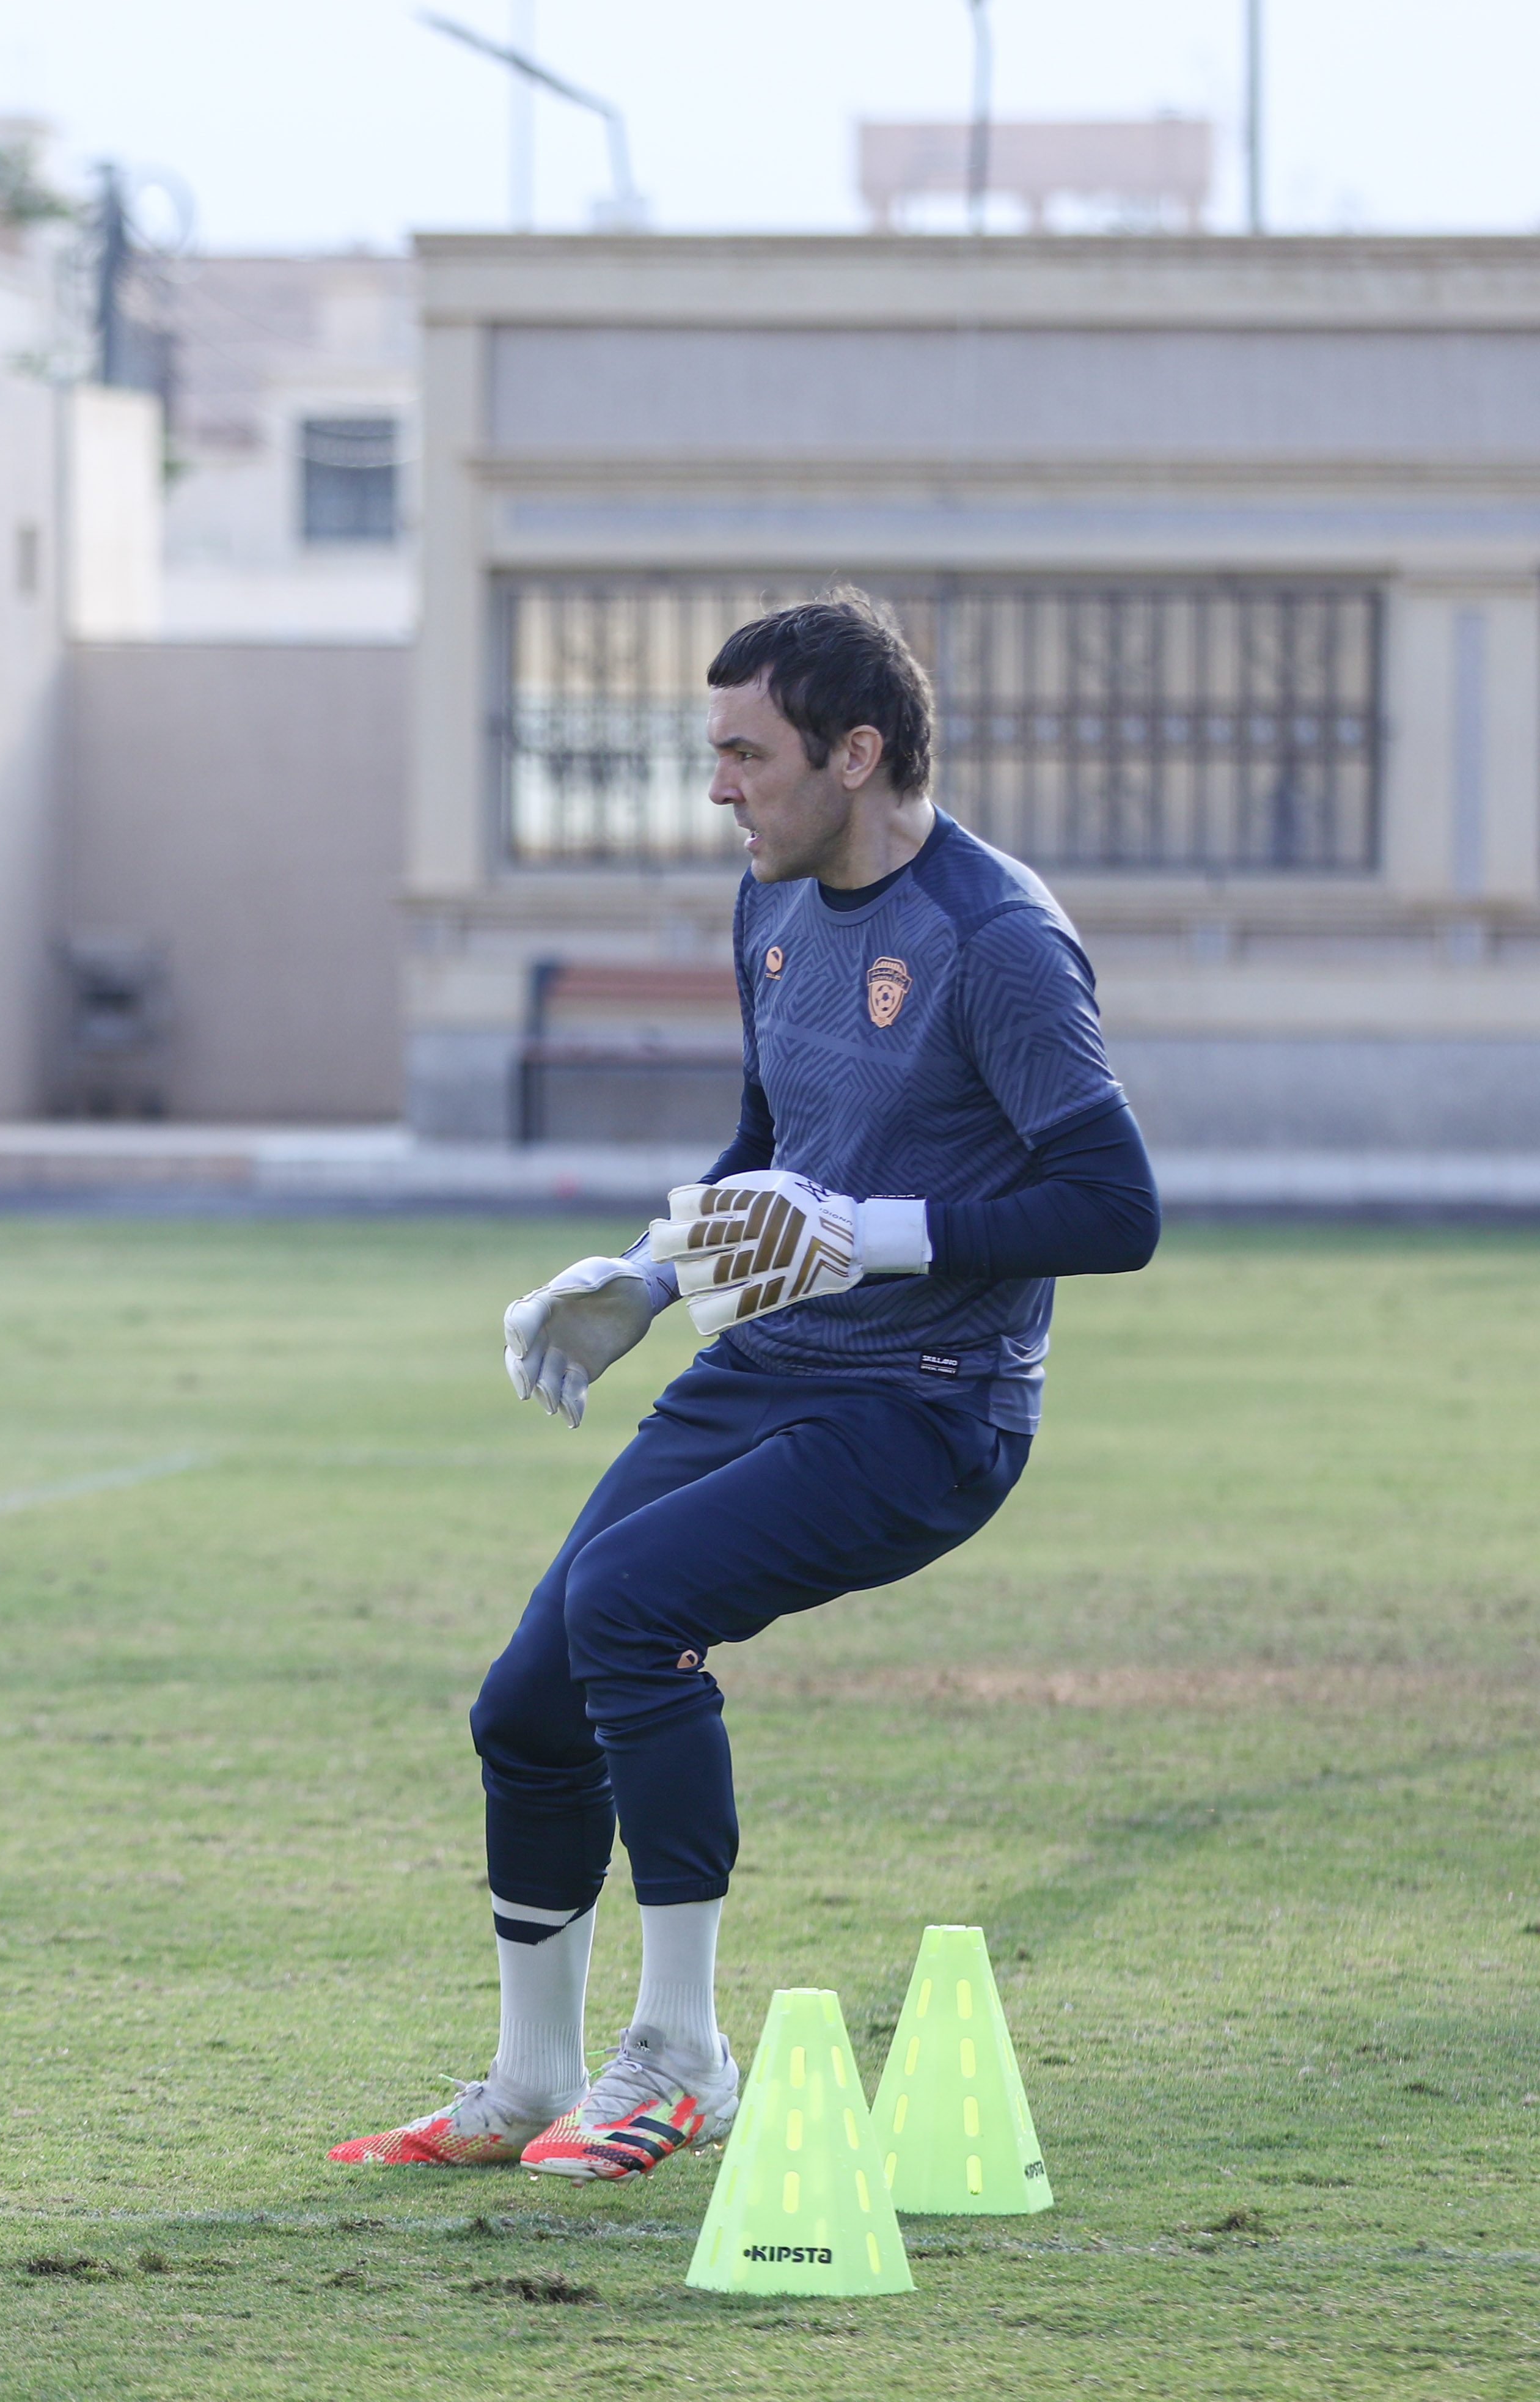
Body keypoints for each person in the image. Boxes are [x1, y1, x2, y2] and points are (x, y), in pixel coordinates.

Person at [330, 589, 1160, 2181]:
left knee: (631, 1602)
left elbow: (1118, 1208)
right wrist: (647, 1275)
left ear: (858, 753)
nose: (718, 787)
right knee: (524, 1700)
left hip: (929, 1399)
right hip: (768, 1363)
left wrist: (877, 1236)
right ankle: (529, 2077)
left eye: (743, 753)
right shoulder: (768, 904)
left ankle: (687, 2054)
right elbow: (768, 1154)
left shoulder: (998, 942)